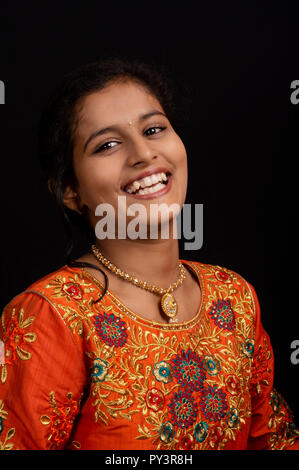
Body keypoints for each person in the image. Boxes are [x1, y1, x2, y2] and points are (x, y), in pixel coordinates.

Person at [0, 59, 298, 451]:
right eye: (107, 144)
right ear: (70, 191)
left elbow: (274, 441)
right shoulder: (52, 316)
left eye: (154, 129)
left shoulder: (235, 298)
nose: (143, 153)